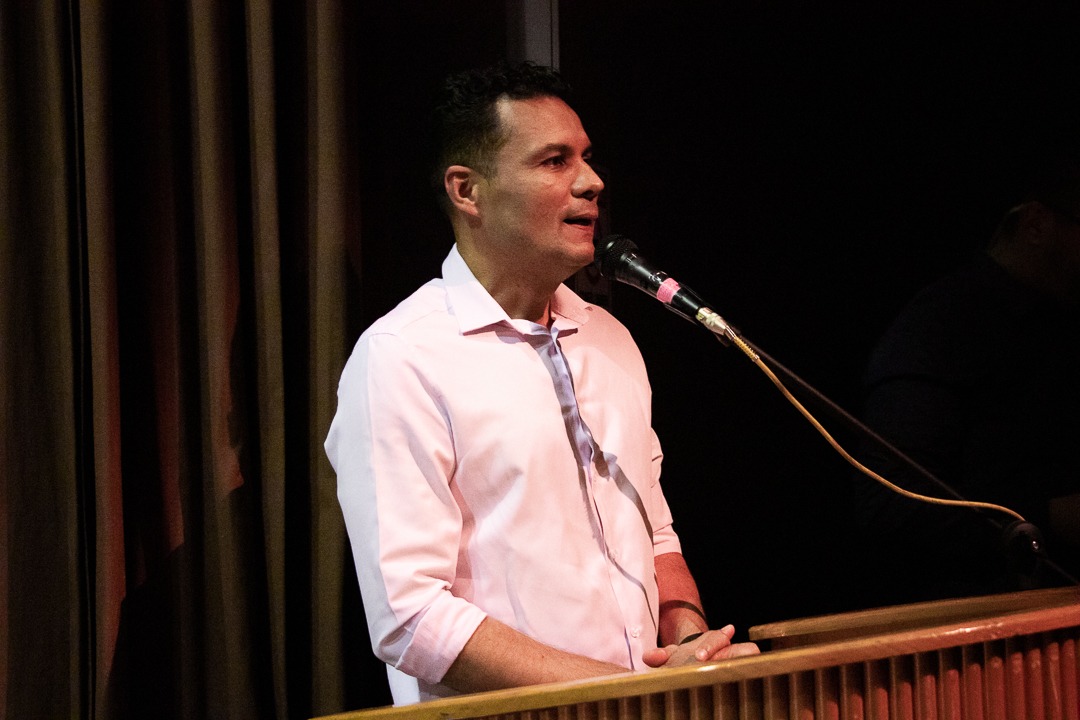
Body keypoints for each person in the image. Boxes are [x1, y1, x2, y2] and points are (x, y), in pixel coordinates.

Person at [324, 61, 758, 705]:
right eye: (555, 161)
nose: (592, 182)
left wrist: (689, 639)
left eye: (586, 157)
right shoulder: (402, 357)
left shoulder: (609, 338)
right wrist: (626, 694)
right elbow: (410, 616)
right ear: (467, 190)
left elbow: (655, 536)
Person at [852, 157, 1080, 605]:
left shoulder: (1060, 327)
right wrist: (1050, 516)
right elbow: (890, 508)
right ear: (1036, 224)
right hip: (985, 623)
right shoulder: (940, 327)